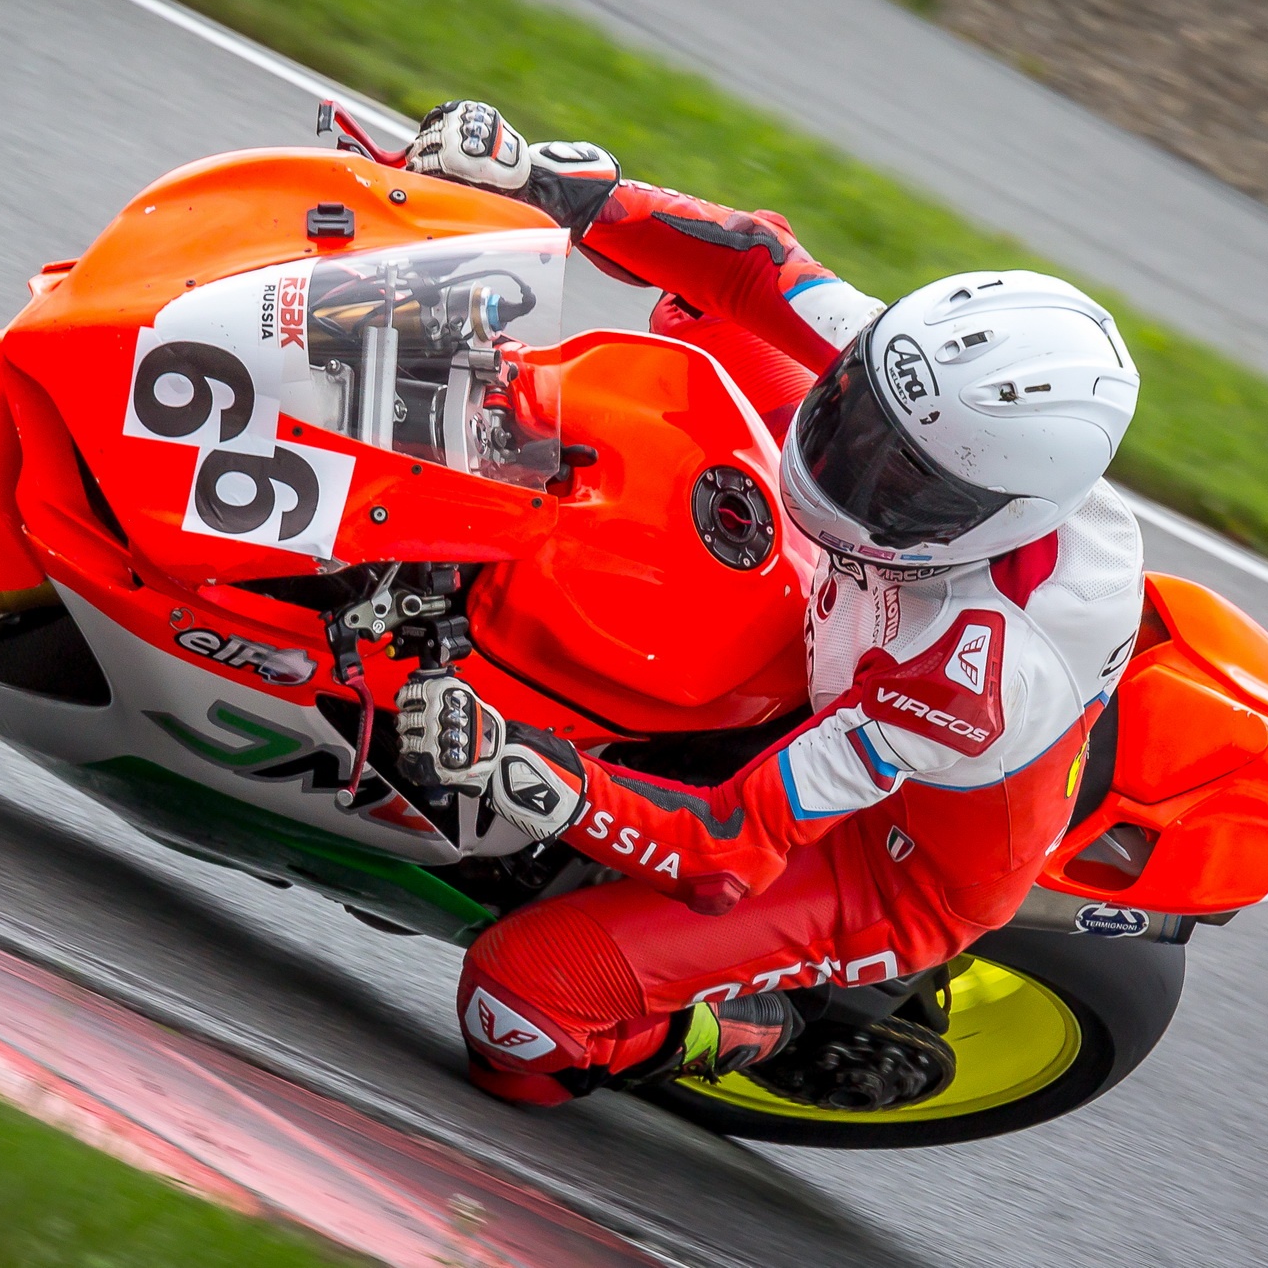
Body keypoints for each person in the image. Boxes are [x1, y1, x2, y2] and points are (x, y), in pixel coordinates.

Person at [396, 101, 1148, 1106]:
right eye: (855, 412)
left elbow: (724, 846)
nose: (846, 461)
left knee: (520, 1007)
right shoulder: (944, 406)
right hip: (857, 602)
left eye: (899, 479)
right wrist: (553, 186)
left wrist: (529, 772)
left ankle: (751, 1024)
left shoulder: (972, 676)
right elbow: (757, 265)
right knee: (703, 315)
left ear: (1002, 516)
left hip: (880, 853)